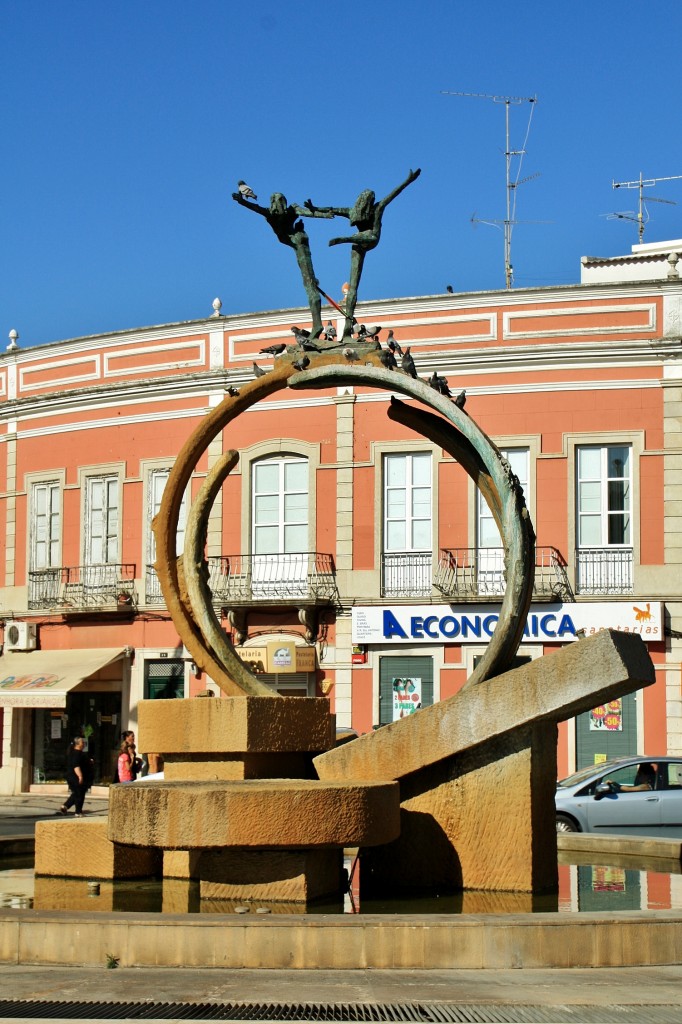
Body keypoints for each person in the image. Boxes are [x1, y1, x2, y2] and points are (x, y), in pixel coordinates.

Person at [56, 737, 90, 817]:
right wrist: (80, 776)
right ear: (77, 744)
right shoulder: (76, 754)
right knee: (79, 795)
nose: (84, 744)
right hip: (75, 777)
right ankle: (78, 812)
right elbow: (76, 766)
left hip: (72, 777)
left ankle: (65, 806)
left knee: (77, 793)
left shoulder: (75, 753)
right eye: (82, 742)